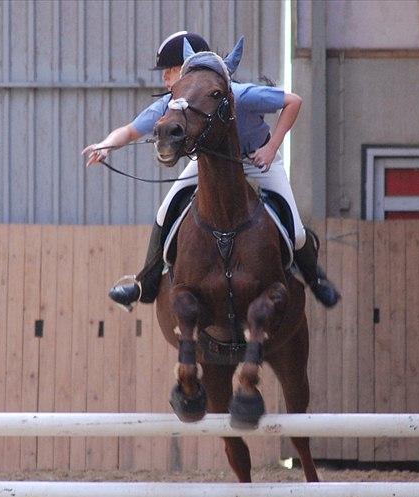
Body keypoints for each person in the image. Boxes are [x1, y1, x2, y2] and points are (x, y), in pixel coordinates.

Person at [82, 31, 340, 310]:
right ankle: (145, 282)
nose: (164, 79)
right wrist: (106, 145)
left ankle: (316, 281)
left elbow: (294, 101)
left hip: (257, 160)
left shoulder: (240, 95)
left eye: (168, 71)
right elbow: (131, 131)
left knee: (298, 232)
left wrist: (271, 148)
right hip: (210, 163)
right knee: (164, 211)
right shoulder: (173, 104)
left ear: (184, 69)